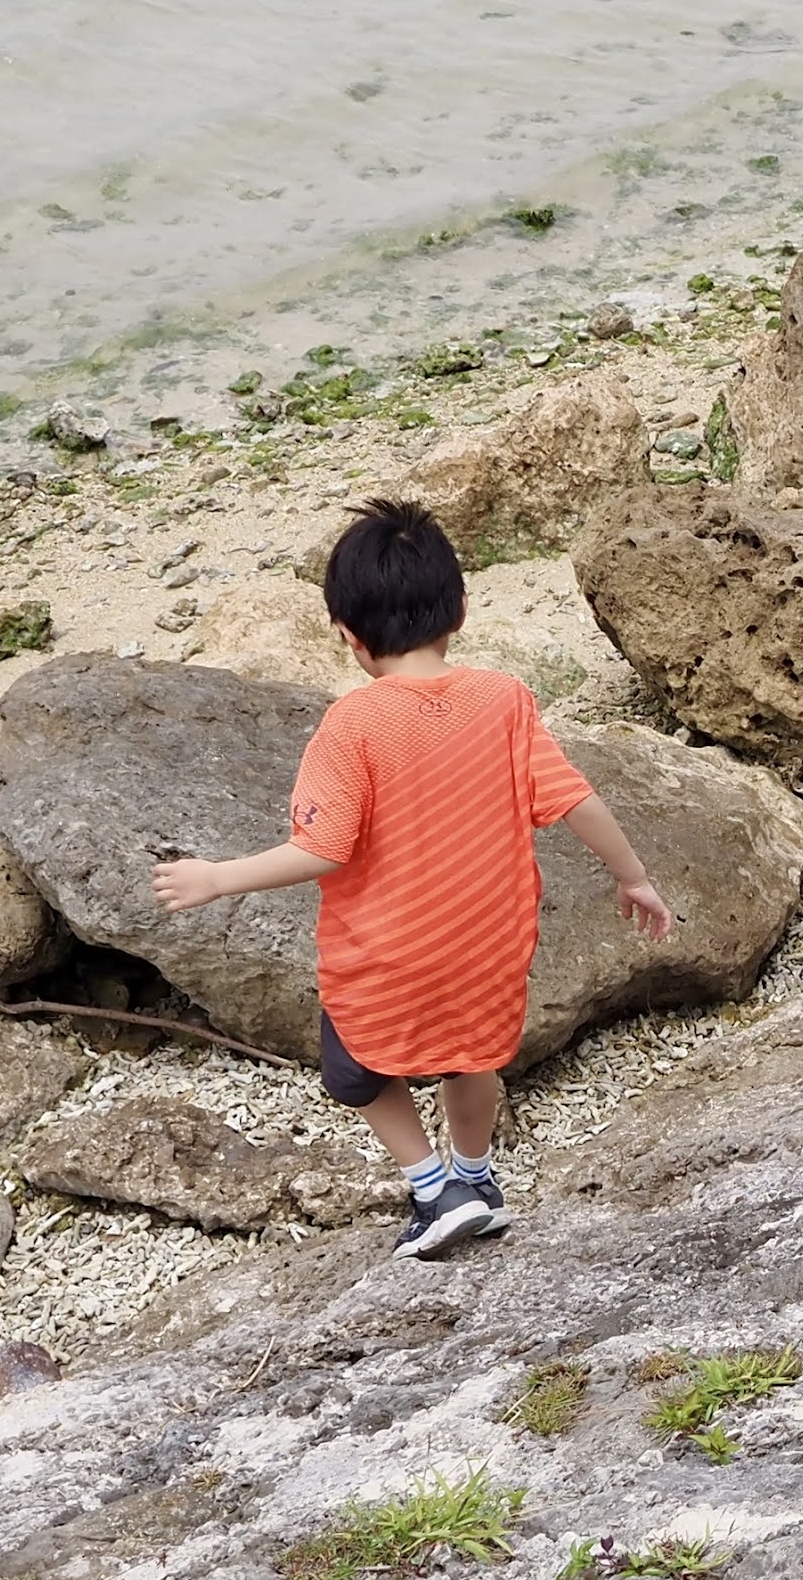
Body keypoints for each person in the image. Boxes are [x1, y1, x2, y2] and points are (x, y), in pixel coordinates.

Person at [151, 500, 677, 1256]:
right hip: (491, 943)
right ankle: (478, 1176)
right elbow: (576, 801)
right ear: (459, 609)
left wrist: (217, 878)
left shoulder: (352, 726)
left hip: (388, 953)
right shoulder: (503, 699)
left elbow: (324, 850)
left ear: (348, 636)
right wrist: (634, 878)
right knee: (475, 1055)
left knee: (355, 1069)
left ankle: (434, 1191)